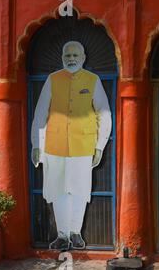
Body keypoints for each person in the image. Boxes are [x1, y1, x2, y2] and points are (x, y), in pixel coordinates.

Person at [31, 40, 112, 251]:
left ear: (83, 58)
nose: (71, 59)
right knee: (58, 190)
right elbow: (40, 112)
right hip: (54, 144)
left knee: (79, 190)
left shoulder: (93, 80)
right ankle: (62, 234)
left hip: (83, 144)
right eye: (68, 56)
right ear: (62, 58)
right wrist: (36, 144)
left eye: (75, 56)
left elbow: (104, 113)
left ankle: (75, 232)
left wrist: (99, 145)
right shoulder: (52, 79)